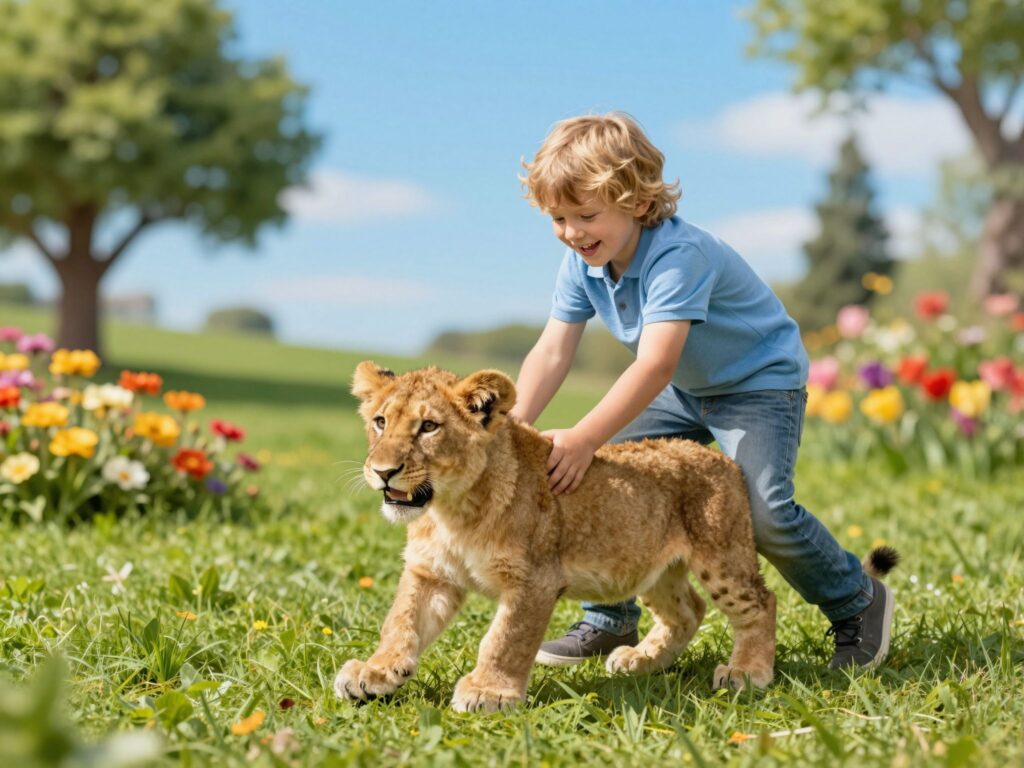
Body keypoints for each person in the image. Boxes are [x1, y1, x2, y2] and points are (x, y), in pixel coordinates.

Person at [508, 112, 893, 670]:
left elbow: (655, 365)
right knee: (599, 483)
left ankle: (856, 600)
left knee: (766, 513)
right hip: (688, 388)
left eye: (586, 215)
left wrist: (587, 435)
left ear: (638, 202)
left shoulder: (677, 256)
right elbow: (551, 351)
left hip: (758, 385)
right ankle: (609, 618)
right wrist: (511, 429)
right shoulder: (581, 262)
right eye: (558, 217)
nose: (571, 231)